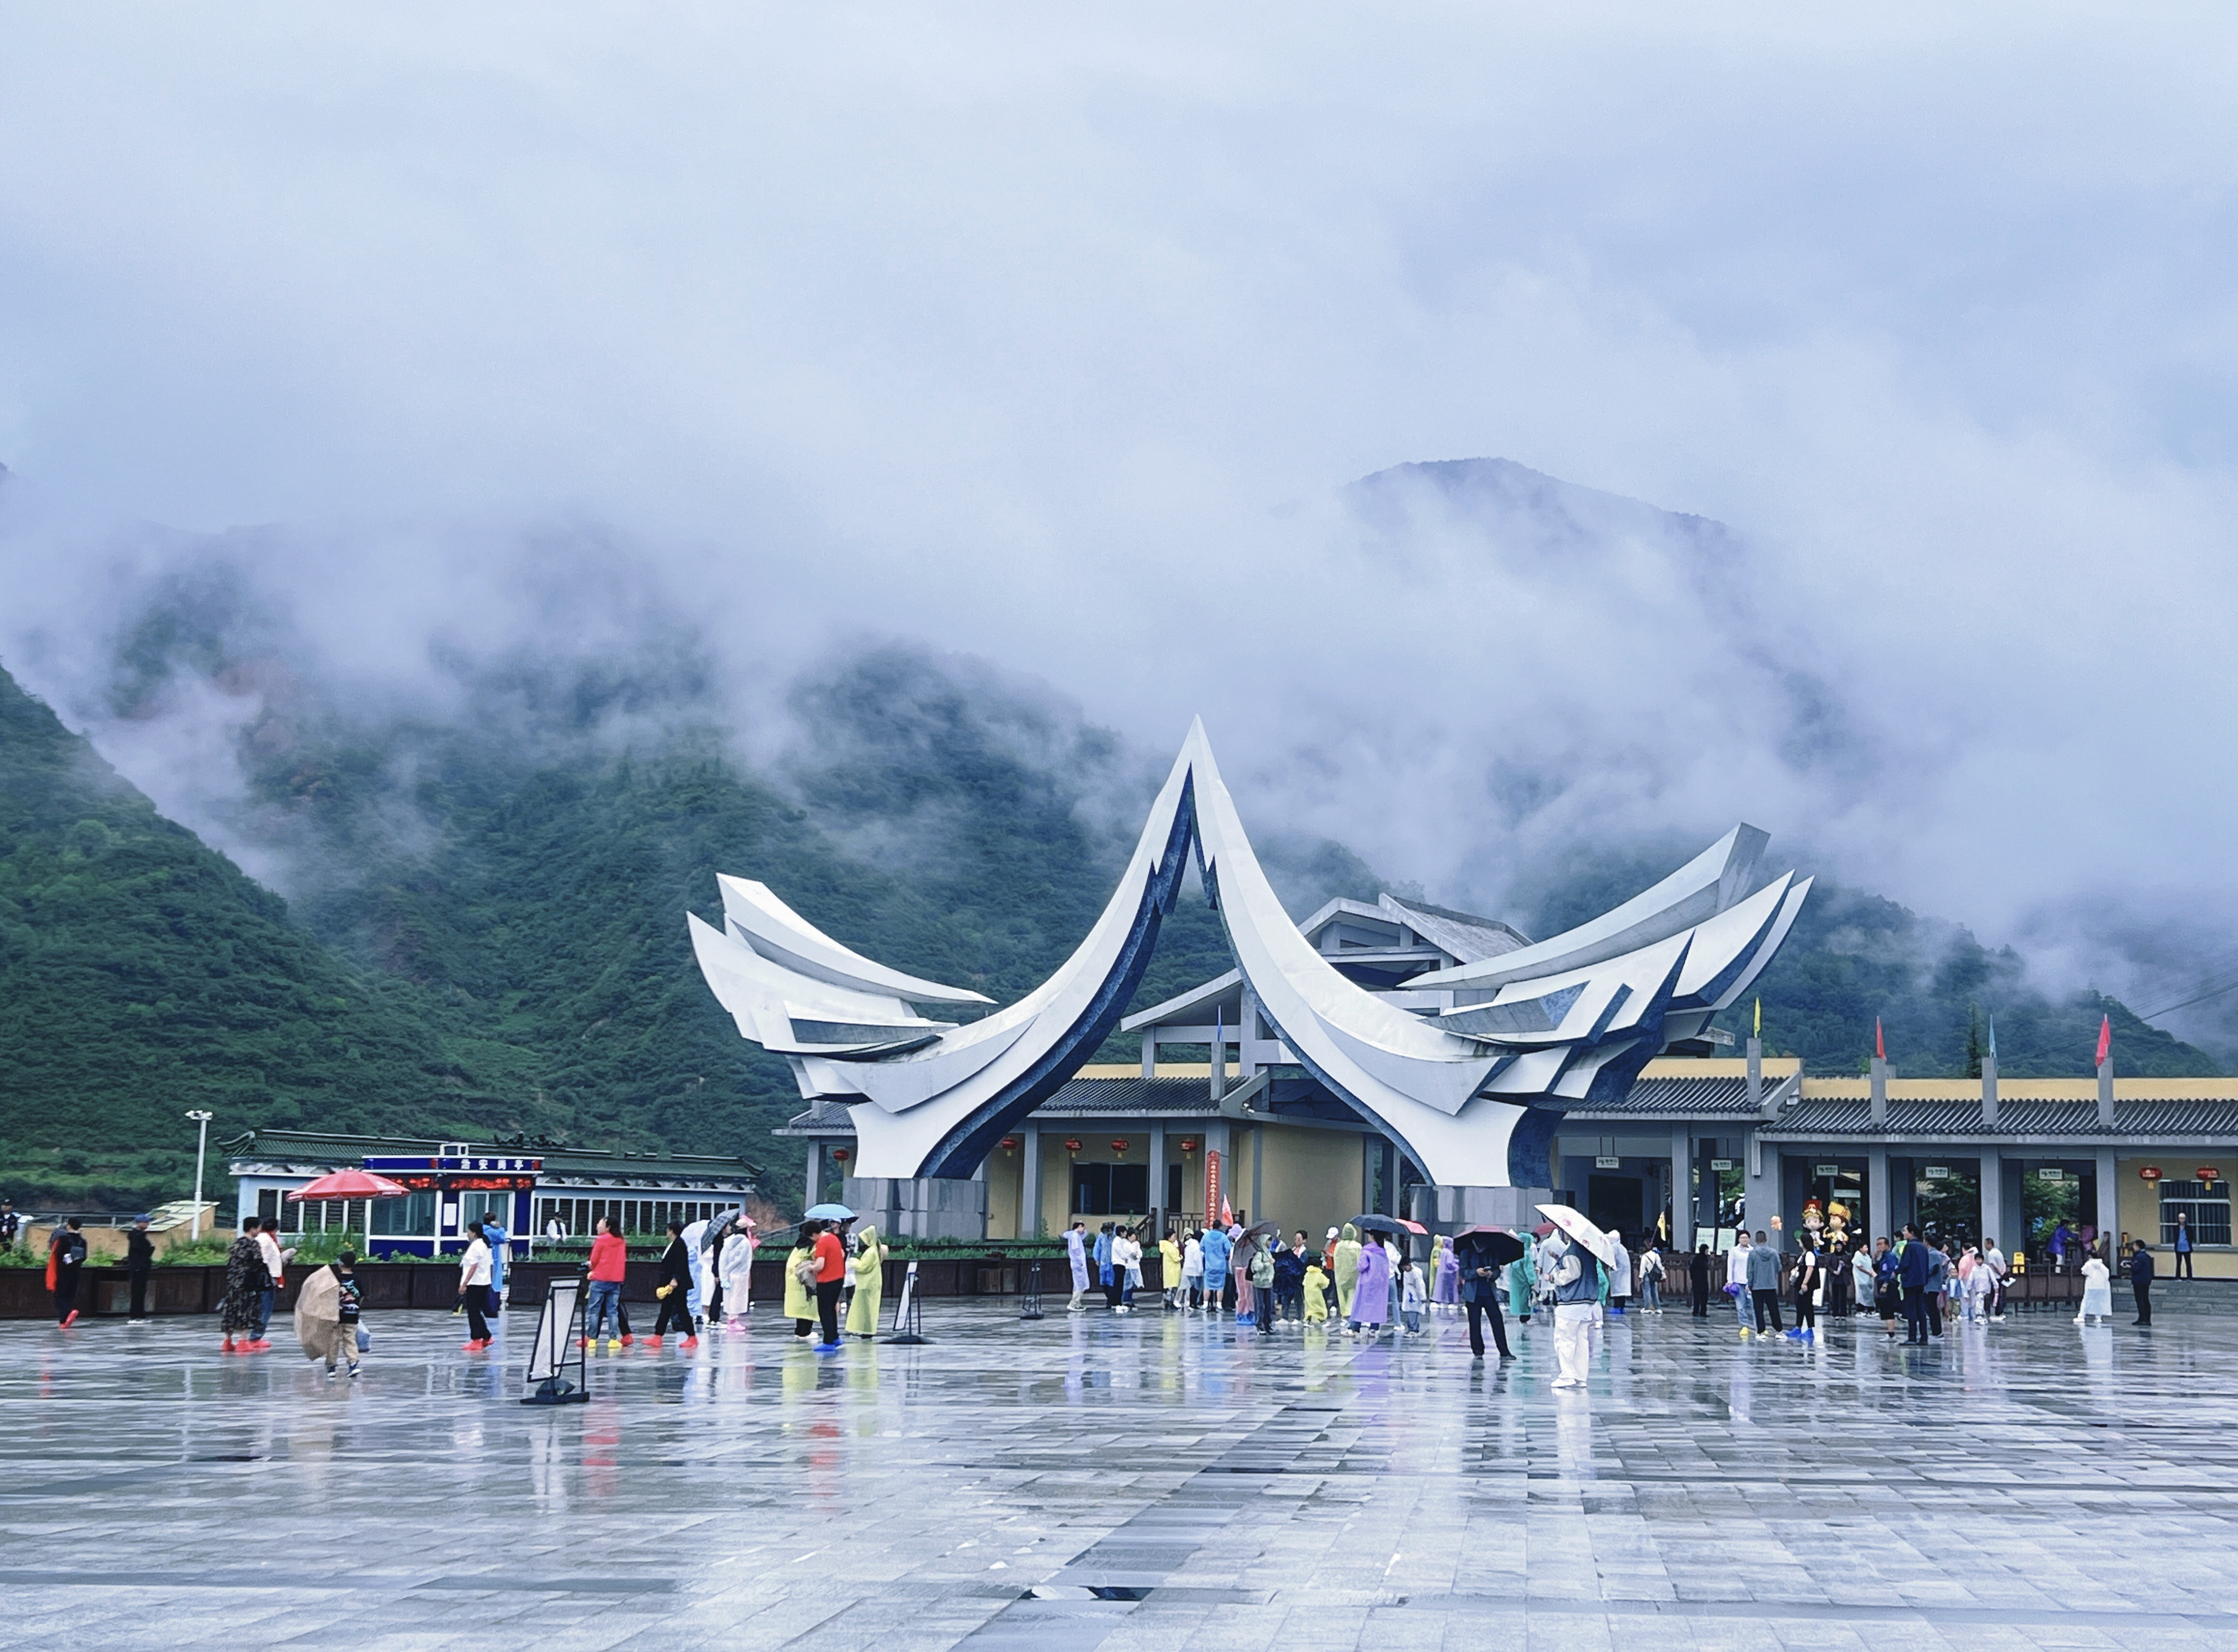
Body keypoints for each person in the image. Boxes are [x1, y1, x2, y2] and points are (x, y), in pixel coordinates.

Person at [1545, 1233, 1604, 1390]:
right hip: (1586, 1302)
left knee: (1564, 1340)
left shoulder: (1573, 1251)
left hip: (1572, 1302)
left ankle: (1567, 1375)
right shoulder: (1587, 1251)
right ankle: (1580, 1376)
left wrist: (1553, 1277)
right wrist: (1560, 1259)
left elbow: (1572, 1273)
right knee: (1581, 1341)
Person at [294, 1249, 358, 1378]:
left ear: (340, 1264)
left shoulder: (335, 1280)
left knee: (333, 1342)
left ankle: (331, 1367)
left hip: (336, 1317)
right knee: (350, 1341)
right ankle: (353, 1364)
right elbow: (361, 1296)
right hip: (352, 1317)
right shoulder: (357, 1279)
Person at [220, 1224, 272, 1353]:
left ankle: (227, 1341)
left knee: (231, 1310)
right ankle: (243, 1342)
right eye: (258, 1228)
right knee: (246, 1310)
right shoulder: (253, 1245)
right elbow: (258, 1263)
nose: (259, 1231)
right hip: (248, 1284)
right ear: (252, 1228)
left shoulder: (236, 1244)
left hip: (233, 1283)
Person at [1460, 1241, 1513, 1358]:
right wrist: (1476, 1272)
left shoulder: (1492, 1252)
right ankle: (1478, 1350)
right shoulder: (1466, 1253)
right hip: (1473, 1294)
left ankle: (1504, 1351)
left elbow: (1497, 1271)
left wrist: (1492, 1274)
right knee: (1474, 1322)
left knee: (1497, 1321)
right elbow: (1463, 1273)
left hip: (1489, 1292)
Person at [648, 1221, 694, 1349]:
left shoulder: (679, 1245)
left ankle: (691, 1337)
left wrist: (675, 1280)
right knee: (666, 1310)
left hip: (676, 1285)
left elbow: (680, 1264)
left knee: (681, 1310)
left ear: (671, 1231)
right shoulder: (676, 1244)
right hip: (673, 1284)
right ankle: (658, 1336)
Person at [458, 1219, 494, 1350]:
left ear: (473, 1233)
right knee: (476, 1311)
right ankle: (486, 1336)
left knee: (473, 1312)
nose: (467, 1233)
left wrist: (464, 1284)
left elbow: (473, 1266)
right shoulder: (483, 1245)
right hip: (483, 1282)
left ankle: (476, 1339)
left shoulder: (476, 1246)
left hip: (475, 1283)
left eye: (468, 1231)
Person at [846, 1223, 887, 1336]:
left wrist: (853, 1261)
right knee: (868, 1309)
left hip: (867, 1284)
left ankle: (864, 1330)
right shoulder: (874, 1251)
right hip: (871, 1284)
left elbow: (863, 1266)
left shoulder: (871, 1252)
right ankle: (865, 1330)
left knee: (864, 1309)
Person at [1349, 1227, 1392, 1338]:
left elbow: (1362, 1267)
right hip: (1379, 1284)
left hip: (1366, 1283)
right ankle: (1373, 1329)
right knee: (1376, 1306)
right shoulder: (1383, 1251)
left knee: (1360, 1305)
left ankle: (1355, 1327)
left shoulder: (1367, 1250)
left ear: (1373, 1236)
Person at [255, 1217, 291, 1345]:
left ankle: (256, 1336)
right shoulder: (266, 1240)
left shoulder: (268, 1238)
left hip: (267, 1277)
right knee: (265, 1308)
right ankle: (256, 1337)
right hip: (267, 1279)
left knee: (264, 1307)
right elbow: (263, 1259)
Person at [812, 1215, 847, 1347]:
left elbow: (820, 1265)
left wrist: (811, 1268)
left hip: (826, 1280)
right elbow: (842, 1254)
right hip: (839, 1278)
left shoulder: (822, 1242)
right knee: (832, 1310)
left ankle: (828, 1342)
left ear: (815, 1234)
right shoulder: (834, 1238)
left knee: (825, 1311)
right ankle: (835, 1338)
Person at [785, 1224, 820, 1340]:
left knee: (800, 1310)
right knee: (808, 1308)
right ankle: (806, 1332)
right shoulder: (811, 1247)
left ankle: (799, 1331)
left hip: (795, 1281)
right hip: (806, 1281)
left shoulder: (798, 1247)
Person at [718, 1221, 755, 1330]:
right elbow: (742, 1259)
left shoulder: (728, 1241)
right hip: (740, 1274)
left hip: (729, 1275)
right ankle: (733, 1321)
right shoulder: (745, 1243)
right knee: (737, 1297)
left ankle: (731, 1319)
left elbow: (723, 1259)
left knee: (731, 1297)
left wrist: (724, 1274)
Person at [1897, 1226, 1931, 1345]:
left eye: (1905, 1231)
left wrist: (1896, 1272)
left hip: (1910, 1281)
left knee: (1911, 1310)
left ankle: (1912, 1337)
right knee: (1920, 1310)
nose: (1904, 1233)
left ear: (1911, 1233)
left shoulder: (1910, 1246)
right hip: (1921, 1281)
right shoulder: (1923, 1247)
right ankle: (1924, 1337)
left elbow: (1905, 1263)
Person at [51, 1217, 87, 1327]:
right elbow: (84, 1257)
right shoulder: (82, 1241)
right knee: (71, 1294)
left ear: (70, 1225)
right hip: (76, 1270)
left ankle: (64, 1318)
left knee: (61, 1295)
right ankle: (69, 1312)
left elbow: (58, 1255)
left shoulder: (63, 1239)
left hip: (63, 1271)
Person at [1747, 1229, 1783, 1336]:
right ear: (1766, 1239)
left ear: (1756, 1240)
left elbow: (1750, 1271)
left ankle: (1761, 1331)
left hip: (1757, 1286)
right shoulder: (1774, 1253)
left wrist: (1750, 1283)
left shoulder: (1753, 1254)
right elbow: (1779, 1267)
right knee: (1774, 1309)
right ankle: (1779, 1330)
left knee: (1759, 1310)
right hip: (1771, 1285)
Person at [480, 1211, 510, 1322]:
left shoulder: (482, 1229)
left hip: (484, 1258)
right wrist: (501, 1228)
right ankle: (493, 1306)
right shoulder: (492, 1232)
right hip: (494, 1257)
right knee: (495, 1280)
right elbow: (502, 1239)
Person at [1788, 1240, 1818, 1341]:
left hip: (1806, 1285)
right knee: (1799, 1305)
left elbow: (1810, 1269)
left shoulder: (1810, 1255)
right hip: (1799, 1283)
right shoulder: (1803, 1255)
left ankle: (1810, 1329)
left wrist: (1805, 1283)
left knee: (1807, 1306)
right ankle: (1798, 1327)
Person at [1201, 1221, 1232, 1315]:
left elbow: (1202, 1247)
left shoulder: (1206, 1236)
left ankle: (1205, 1304)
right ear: (1220, 1227)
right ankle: (1219, 1305)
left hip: (1209, 1265)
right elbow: (1228, 1249)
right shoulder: (1223, 1237)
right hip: (1221, 1265)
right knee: (1220, 1286)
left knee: (1207, 1286)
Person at [1727, 1232, 1755, 1337]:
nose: (1744, 1240)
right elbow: (1730, 1265)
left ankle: (1758, 1326)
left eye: (1746, 1238)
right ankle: (1744, 1325)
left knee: (1754, 1306)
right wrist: (1730, 1280)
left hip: (1750, 1282)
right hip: (1738, 1281)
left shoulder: (1753, 1251)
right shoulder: (1734, 1251)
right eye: (1742, 1238)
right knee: (1740, 1306)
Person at [1247, 1238, 1277, 1334]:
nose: (1270, 1243)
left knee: (1269, 1305)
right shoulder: (1259, 1254)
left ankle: (1267, 1324)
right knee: (1261, 1305)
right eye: (1268, 1241)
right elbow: (1257, 1267)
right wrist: (1268, 1263)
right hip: (1259, 1283)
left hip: (1268, 1283)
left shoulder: (1268, 1253)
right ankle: (1260, 1325)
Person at [1332, 1224, 1361, 1322]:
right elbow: (1360, 1260)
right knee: (1352, 1294)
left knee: (1342, 1295)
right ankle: (1349, 1313)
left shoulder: (1339, 1246)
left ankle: (1344, 1313)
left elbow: (1335, 1259)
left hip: (1340, 1275)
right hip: (1353, 1275)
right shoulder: (1357, 1246)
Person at [2077, 1248, 2112, 1325]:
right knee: (2099, 1301)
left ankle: (2082, 1316)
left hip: (2091, 1285)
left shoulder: (2089, 1264)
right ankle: (2098, 1317)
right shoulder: (2101, 1265)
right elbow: (2107, 1274)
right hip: (2101, 1286)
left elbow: (2084, 1272)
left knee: (2086, 1300)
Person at [1923, 1237, 1950, 1338]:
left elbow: (1933, 1269)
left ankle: (1937, 1332)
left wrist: (1925, 1276)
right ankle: (1936, 1331)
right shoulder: (1935, 1254)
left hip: (1931, 1285)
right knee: (1931, 1308)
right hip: (1932, 1285)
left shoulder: (1932, 1254)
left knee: (1932, 1308)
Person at [1509, 1238, 1539, 1327]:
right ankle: (1525, 1319)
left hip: (1516, 1281)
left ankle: (1522, 1319)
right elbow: (1528, 1270)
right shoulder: (1527, 1254)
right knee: (1527, 1301)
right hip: (1525, 1282)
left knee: (1519, 1300)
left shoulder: (1515, 1253)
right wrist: (1532, 1281)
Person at [1112, 1226, 1143, 1314]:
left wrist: (1136, 1255)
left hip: (1132, 1266)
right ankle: (1125, 1301)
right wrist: (1134, 1255)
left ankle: (1128, 1301)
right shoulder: (1122, 1242)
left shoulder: (1134, 1243)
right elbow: (1129, 1253)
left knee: (1130, 1285)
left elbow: (1139, 1253)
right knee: (1126, 1285)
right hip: (1127, 1266)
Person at [1066, 1221, 1090, 1313]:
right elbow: (1076, 1250)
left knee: (1079, 1283)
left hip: (1078, 1264)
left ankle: (1077, 1303)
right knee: (1079, 1284)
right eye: (1082, 1227)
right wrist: (1080, 1262)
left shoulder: (1075, 1236)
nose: (1083, 1230)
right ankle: (1074, 1303)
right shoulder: (1075, 1236)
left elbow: (1085, 1234)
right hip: (1078, 1264)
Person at [1432, 1234, 1460, 1314]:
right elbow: (1449, 1263)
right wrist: (1456, 1267)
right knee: (1449, 1290)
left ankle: (1441, 1301)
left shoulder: (1444, 1251)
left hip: (1442, 1273)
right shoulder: (1449, 1253)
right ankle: (1450, 1302)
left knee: (1441, 1289)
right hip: (1448, 1274)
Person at [1983, 1236, 2008, 1322]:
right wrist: (2003, 1272)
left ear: (1989, 1244)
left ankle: (1998, 1311)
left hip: (1994, 1277)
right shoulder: (1999, 1252)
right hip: (1999, 1277)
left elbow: (1994, 1265)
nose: (1985, 1246)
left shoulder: (1991, 1254)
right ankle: (1998, 1311)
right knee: (1998, 1294)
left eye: (1985, 1244)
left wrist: (1999, 1273)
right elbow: (2004, 1263)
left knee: (1994, 1295)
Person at [1399, 1256, 1427, 1334]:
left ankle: (1414, 1329)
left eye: (1405, 1267)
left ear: (1409, 1265)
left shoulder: (1416, 1273)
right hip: (1409, 1295)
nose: (1404, 1269)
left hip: (1415, 1296)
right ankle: (1411, 1328)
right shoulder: (1406, 1273)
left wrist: (1422, 1297)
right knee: (1410, 1313)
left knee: (1413, 1313)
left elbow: (1420, 1287)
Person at [2130, 1238, 2155, 1324]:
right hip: (2146, 1280)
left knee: (2140, 1299)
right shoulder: (2147, 1256)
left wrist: (2130, 1267)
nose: (2133, 1248)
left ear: (2137, 1246)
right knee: (2145, 1299)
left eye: (2134, 1246)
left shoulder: (2139, 1257)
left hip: (2139, 1281)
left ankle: (2143, 1318)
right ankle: (2146, 1318)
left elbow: (2137, 1268)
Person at [1607, 1233, 1633, 1315]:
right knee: (1622, 1292)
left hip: (1618, 1273)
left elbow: (1610, 1258)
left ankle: (1617, 1307)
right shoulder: (1621, 1247)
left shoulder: (1614, 1247)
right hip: (1622, 1272)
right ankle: (1621, 1307)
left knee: (1618, 1292)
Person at [1180, 1228, 1205, 1309]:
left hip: (1188, 1268)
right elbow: (1197, 1259)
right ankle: (1193, 1303)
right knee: (1196, 1287)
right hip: (1195, 1269)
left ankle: (1191, 1303)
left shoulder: (1189, 1245)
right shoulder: (1196, 1247)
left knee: (1192, 1287)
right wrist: (1201, 1270)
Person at [1158, 1229, 1182, 1309]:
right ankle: (1170, 1303)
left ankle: (1169, 1303)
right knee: (1172, 1288)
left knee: (1170, 1288)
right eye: (1174, 1236)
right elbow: (1175, 1258)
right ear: (1169, 1237)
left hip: (1170, 1270)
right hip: (1172, 1270)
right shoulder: (1170, 1246)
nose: (1175, 1238)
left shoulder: (1167, 1245)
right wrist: (1181, 1257)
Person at [1638, 1242, 1664, 1313]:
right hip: (1654, 1275)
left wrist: (1641, 1276)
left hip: (1647, 1274)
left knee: (1647, 1291)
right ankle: (1657, 1308)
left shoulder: (1645, 1256)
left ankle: (1647, 1307)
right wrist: (1663, 1274)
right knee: (1655, 1291)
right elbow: (1660, 1266)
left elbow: (1642, 1267)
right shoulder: (1656, 1255)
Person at [1303, 1256, 1330, 1324]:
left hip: (1307, 1292)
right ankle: (1322, 1320)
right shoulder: (1318, 1274)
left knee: (1310, 1307)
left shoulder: (1307, 1274)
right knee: (1320, 1307)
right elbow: (1325, 1282)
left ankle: (1307, 1320)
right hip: (1316, 1293)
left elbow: (1304, 1283)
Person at [1689, 1242, 1712, 1318]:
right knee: (1704, 1297)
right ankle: (1702, 1312)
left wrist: (1692, 1278)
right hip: (1702, 1280)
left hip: (1696, 1281)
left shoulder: (1697, 1258)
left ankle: (1696, 1311)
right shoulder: (1704, 1259)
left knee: (1697, 1297)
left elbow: (1691, 1269)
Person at [2172, 1213, 2191, 1279]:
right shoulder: (2176, 1228)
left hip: (2187, 1247)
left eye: (2183, 1218)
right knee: (2178, 1263)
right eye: (2180, 1218)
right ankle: (2178, 1277)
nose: (2182, 1220)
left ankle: (2189, 1277)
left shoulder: (2188, 1228)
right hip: (2179, 1248)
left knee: (2188, 1263)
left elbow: (2192, 1236)